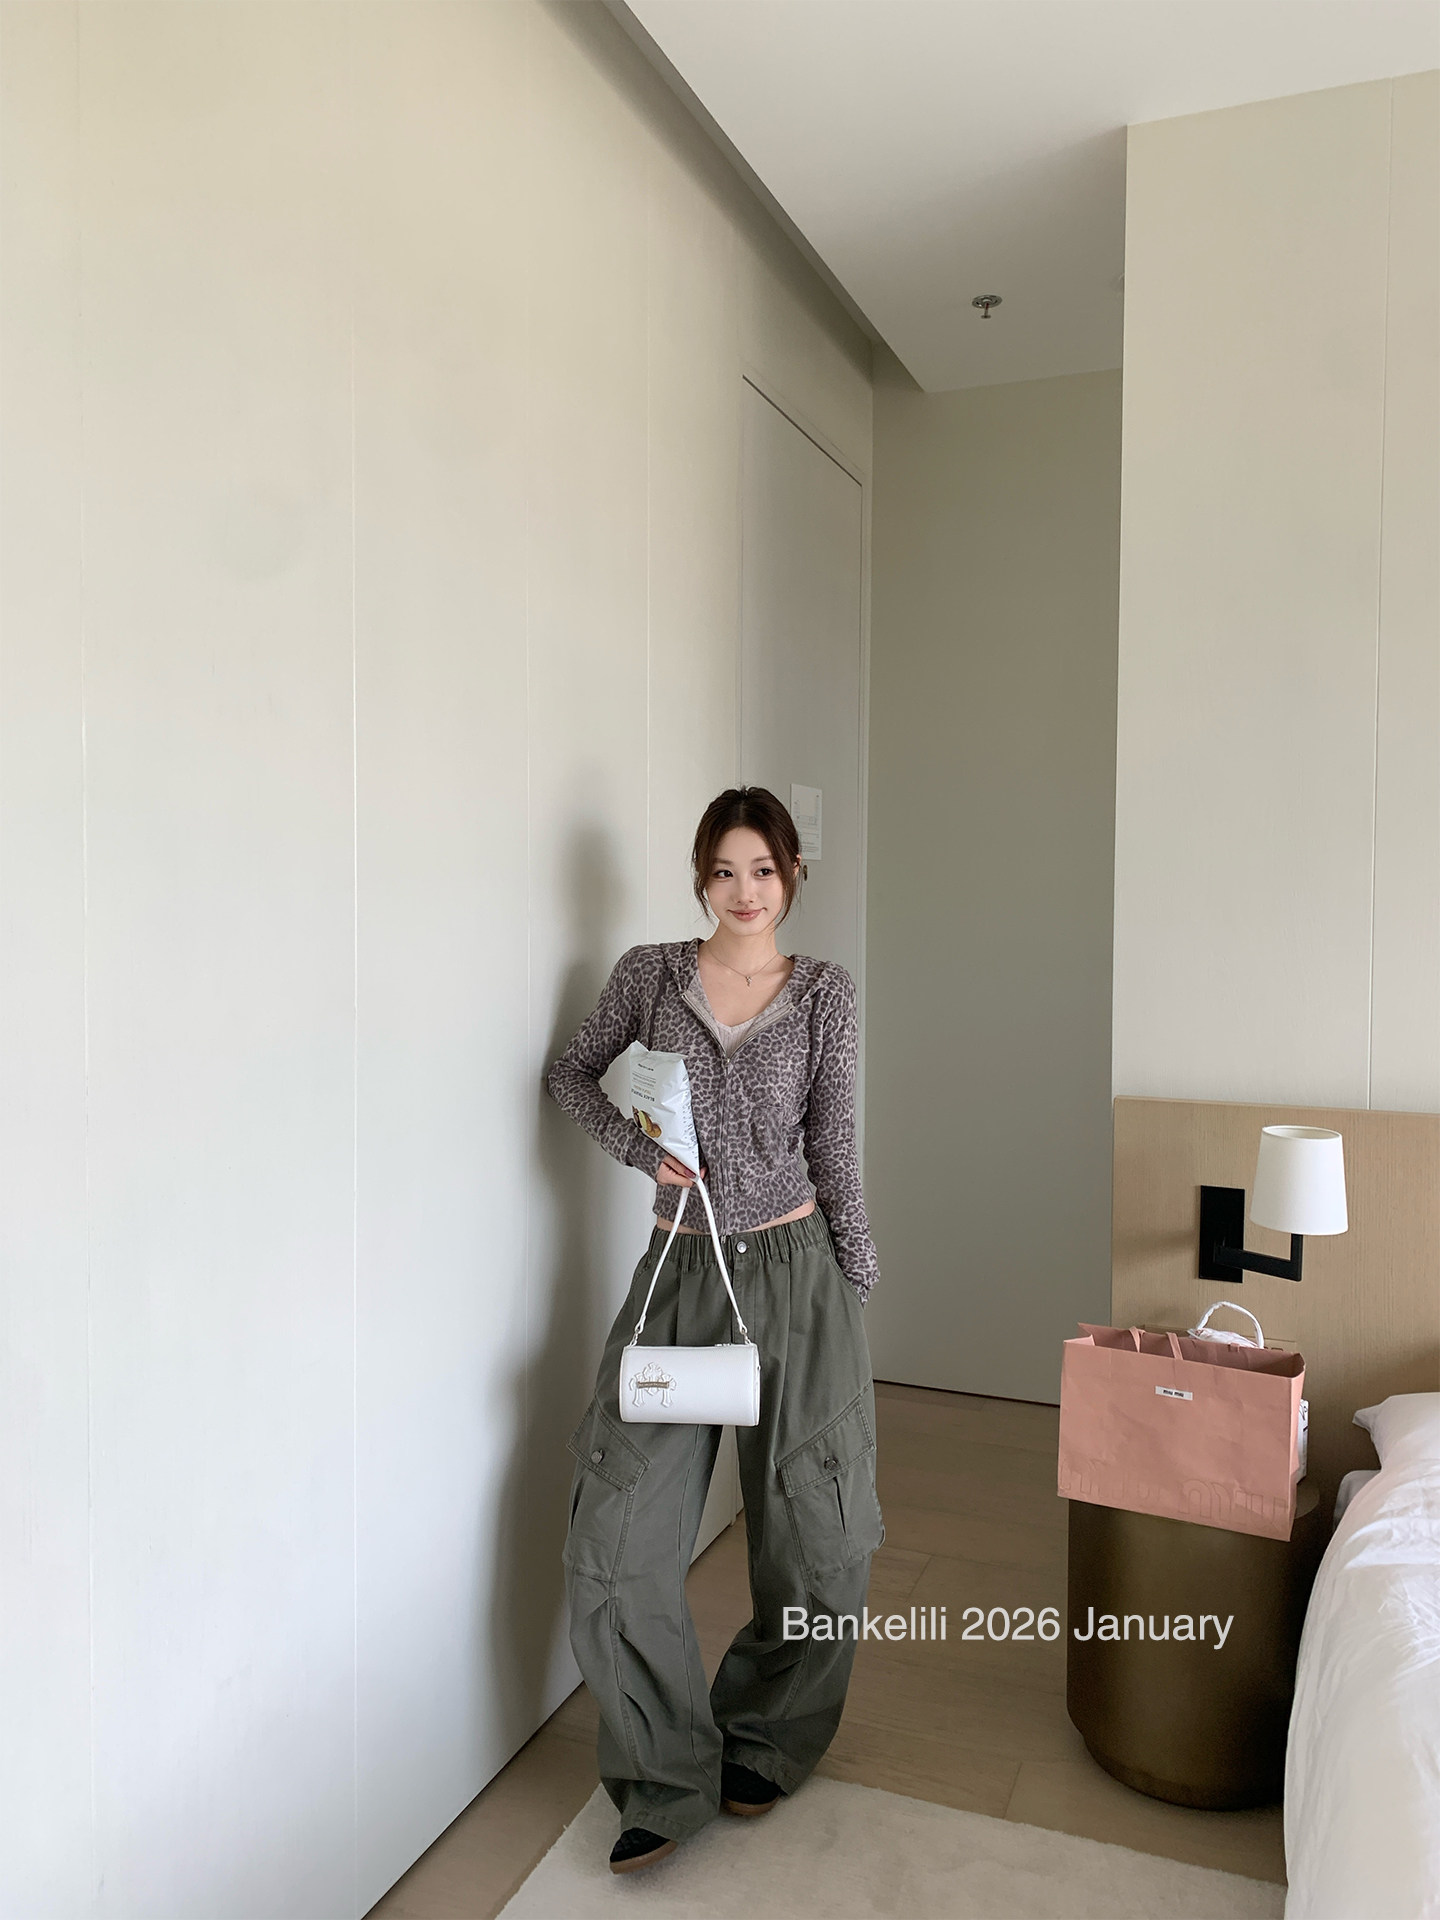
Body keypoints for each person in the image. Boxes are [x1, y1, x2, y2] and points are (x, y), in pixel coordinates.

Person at [545, 784, 883, 1875]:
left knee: (820, 1538)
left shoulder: (824, 993)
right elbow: (570, 1074)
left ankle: (768, 1735)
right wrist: (643, 1153)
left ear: (792, 876)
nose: (745, 892)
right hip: (679, 1274)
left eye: (764, 871)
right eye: (725, 871)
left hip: (795, 1272)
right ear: (702, 877)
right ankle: (664, 1773)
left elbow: (835, 1146)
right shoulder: (650, 974)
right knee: (615, 1538)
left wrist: (853, 1282)